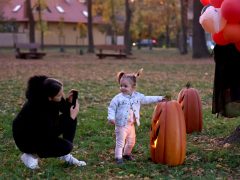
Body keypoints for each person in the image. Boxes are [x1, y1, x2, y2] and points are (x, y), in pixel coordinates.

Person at [12, 75, 86, 169]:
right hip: (27, 140)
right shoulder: (38, 109)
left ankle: (65, 154)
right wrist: (70, 118)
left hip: (43, 132)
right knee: (67, 141)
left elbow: (64, 109)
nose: (62, 95)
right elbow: (49, 134)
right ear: (49, 98)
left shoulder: (48, 93)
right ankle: (30, 155)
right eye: (59, 95)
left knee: (71, 117)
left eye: (62, 92)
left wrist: (69, 102)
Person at [107, 68, 165, 164]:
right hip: (121, 125)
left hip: (131, 125)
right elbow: (111, 108)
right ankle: (118, 157)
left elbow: (147, 99)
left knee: (131, 141)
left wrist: (160, 98)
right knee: (120, 142)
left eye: (125, 86)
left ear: (133, 87)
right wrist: (111, 117)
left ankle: (126, 154)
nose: (122, 88)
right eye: (121, 86)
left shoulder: (137, 96)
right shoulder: (118, 98)